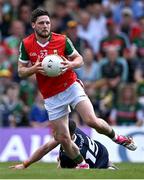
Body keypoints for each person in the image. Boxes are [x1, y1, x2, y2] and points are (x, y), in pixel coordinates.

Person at [17, 8, 136, 169]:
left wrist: (70, 64)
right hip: (51, 96)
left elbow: (79, 59)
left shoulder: (62, 40)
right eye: (41, 23)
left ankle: (118, 138)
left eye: (47, 22)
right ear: (33, 25)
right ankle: (82, 165)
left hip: (71, 86)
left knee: (91, 120)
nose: (45, 26)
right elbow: (21, 71)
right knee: (63, 138)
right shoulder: (26, 44)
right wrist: (35, 68)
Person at [10, 120, 118, 170]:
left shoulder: (69, 155)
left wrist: (60, 161)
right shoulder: (74, 130)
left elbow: (62, 174)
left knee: (64, 163)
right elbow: (45, 148)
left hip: (95, 164)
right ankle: (108, 165)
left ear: (68, 134)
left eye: (55, 130)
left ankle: (107, 168)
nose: (53, 132)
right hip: (101, 151)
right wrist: (25, 164)